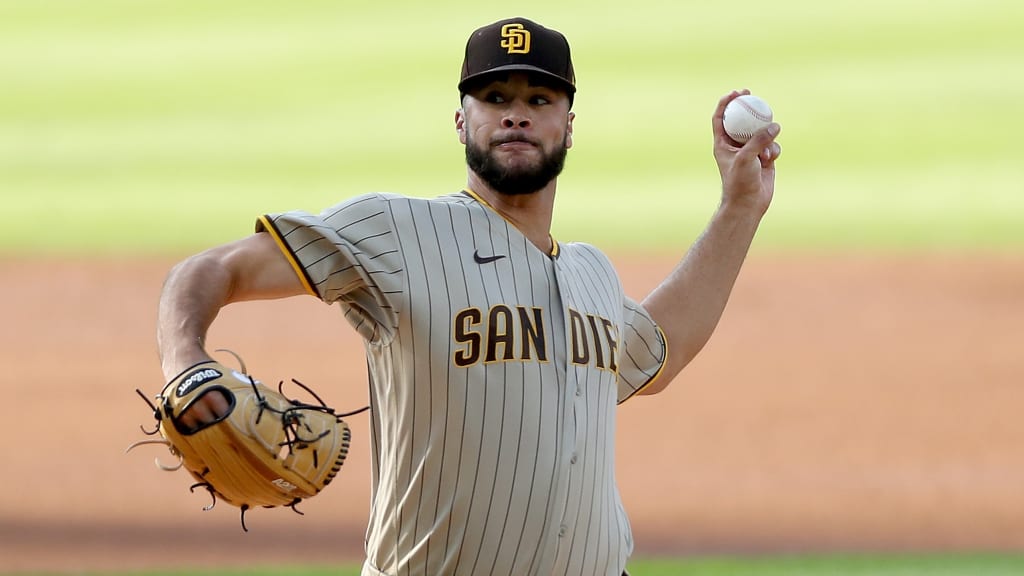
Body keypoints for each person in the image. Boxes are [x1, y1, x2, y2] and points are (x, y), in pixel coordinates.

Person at [156, 17, 781, 576]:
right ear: (462, 120)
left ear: (569, 126)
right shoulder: (395, 231)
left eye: (539, 99)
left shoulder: (591, 272)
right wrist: (186, 363)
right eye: (495, 98)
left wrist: (741, 207)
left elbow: (660, 352)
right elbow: (215, 268)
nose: (516, 115)